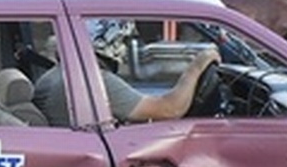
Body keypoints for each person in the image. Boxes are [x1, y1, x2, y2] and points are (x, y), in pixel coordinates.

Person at [33, 19, 219, 126]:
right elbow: (169, 109)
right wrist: (196, 67)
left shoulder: (59, 74)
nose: (124, 48)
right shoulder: (91, 82)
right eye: (123, 41)